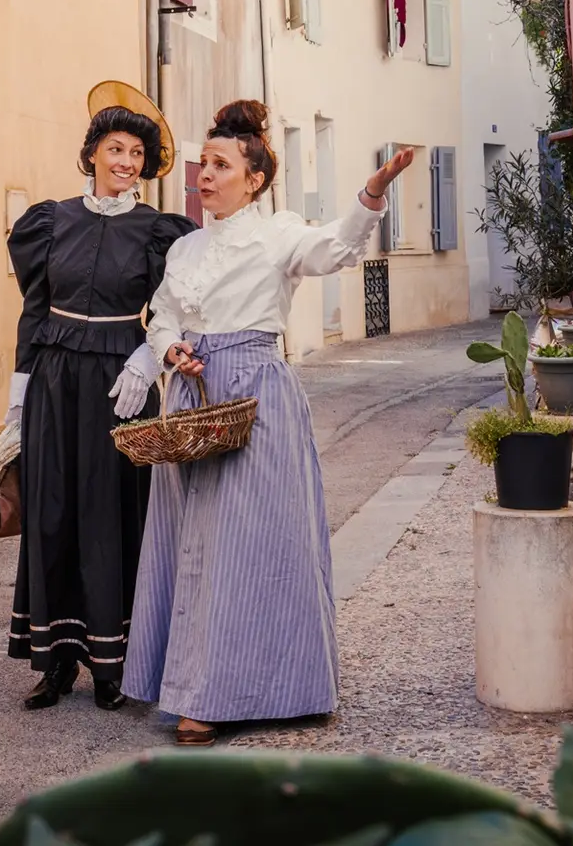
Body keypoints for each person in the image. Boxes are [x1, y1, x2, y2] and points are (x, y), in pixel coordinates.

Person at [124, 100, 414, 744]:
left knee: (252, 546)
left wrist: (373, 191)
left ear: (253, 180)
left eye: (221, 165)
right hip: (193, 399)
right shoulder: (185, 248)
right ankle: (192, 685)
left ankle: (254, 690)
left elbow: (337, 248)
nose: (205, 175)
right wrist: (170, 350)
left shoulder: (279, 234)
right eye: (204, 163)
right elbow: (163, 315)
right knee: (191, 543)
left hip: (255, 395)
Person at [5, 82, 198, 710]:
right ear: (92, 152)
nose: (127, 163)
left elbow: (176, 309)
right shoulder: (50, 222)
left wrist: (148, 358)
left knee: (115, 516)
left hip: (122, 387)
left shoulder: (160, 232)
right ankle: (56, 663)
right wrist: (18, 399)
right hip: (55, 385)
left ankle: (114, 667)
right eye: (116, 149)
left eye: (137, 154)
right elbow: (35, 312)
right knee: (53, 513)